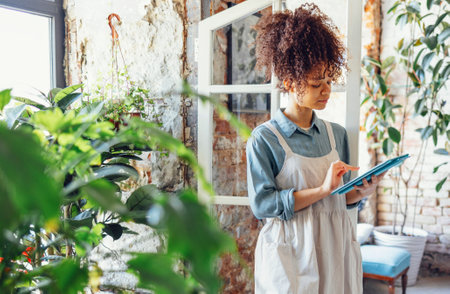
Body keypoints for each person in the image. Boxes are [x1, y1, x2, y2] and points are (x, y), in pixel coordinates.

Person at [246, 4, 384, 294]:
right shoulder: (264, 139)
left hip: (335, 246)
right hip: (291, 249)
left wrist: (362, 192)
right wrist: (322, 189)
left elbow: (340, 199)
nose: (326, 91)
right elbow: (263, 205)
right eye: (315, 83)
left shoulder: (336, 135)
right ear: (289, 82)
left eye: (329, 81)